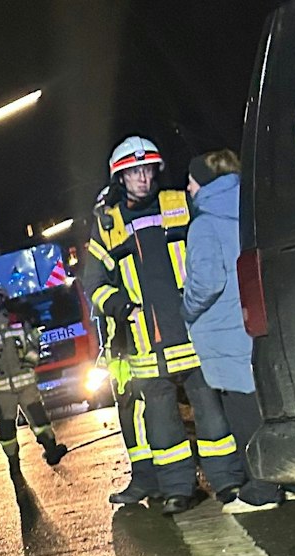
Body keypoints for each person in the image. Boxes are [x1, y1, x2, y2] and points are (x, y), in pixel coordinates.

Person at [84, 136, 250, 514]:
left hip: (192, 331)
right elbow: (93, 283)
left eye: (147, 171)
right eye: (134, 173)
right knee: (161, 421)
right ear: (120, 178)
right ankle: (178, 489)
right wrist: (119, 306)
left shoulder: (180, 203)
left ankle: (227, 480)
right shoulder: (108, 225)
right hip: (144, 340)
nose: (143, 179)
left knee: (211, 411)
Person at [182, 149, 295, 514]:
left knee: (244, 412)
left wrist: (187, 308)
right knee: (272, 405)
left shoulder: (205, 224)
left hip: (224, 329)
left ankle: (261, 487)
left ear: (206, 183)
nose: (188, 188)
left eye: (192, 181)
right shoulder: (254, 210)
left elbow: (206, 282)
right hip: (260, 319)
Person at [0, 286, 69, 468]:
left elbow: (33, 343)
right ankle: (13, 464)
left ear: (2, 299)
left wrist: (29, 362)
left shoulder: (19, 321)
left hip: (26, 383)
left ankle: (51, 450)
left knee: (40, 420)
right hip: (1, 389)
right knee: (6, 429)